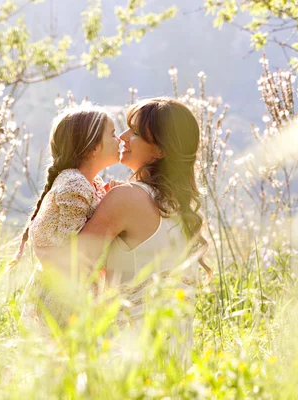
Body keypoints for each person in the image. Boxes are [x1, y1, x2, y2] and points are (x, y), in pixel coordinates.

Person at [79, 97, 211, 364]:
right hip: (172, 363)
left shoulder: (126, 199)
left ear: (160, 150)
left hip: (125, 359)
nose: (123, 136)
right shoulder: (179, 210)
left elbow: (70, 263)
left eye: (136, 132)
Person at [8, 104, 120, 328]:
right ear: (93, 148)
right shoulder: (74, 184)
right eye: (113, 134)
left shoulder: (89, 182)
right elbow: (73, 248)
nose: (120, 141)